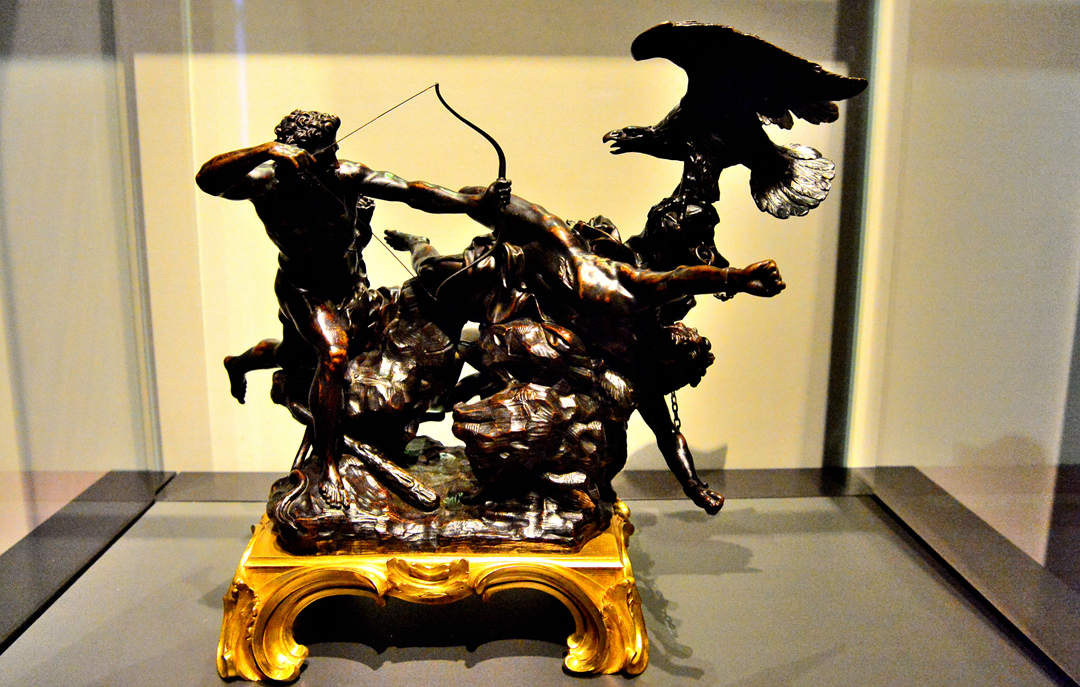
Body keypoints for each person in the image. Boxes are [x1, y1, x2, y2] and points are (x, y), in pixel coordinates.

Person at [196, 109, 508, 506]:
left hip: (351, 285)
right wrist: (264, 150)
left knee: (295, 355)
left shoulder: (343, 175)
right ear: (296, 155)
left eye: (334, 149)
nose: (334, 155)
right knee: (333, 355)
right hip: (304, 292)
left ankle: (239, 363)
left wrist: (471, 201)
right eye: (326, 151)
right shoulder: (265, 182)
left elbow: (410, 190)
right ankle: (329, 462)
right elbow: (207, 179)